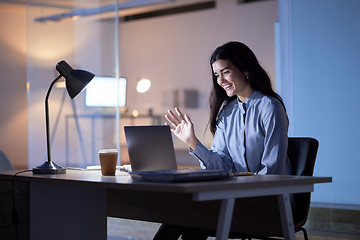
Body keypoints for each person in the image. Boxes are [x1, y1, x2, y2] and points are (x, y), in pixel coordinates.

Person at [153, 41, 291, 240]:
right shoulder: (227, 111)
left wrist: (237, 182)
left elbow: (272, 171)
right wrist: (192, 142)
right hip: (232, 197)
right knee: (183, 214)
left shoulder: (270, 106)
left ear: (245, 70)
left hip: (267, 202)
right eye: (217, 75)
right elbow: (221, 167)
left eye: (225, 72)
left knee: (189, 215)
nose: (220, 80)